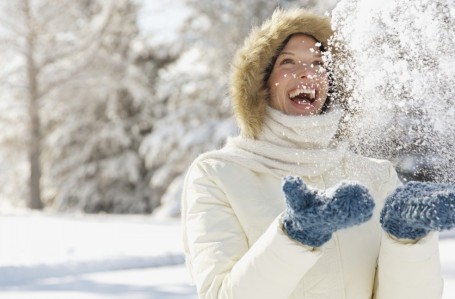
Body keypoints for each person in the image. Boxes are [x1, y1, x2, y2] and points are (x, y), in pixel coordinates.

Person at [181, 8, 453, 299]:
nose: (306, 72)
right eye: (288, 62)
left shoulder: (376, 176)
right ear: (260, 83)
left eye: (318, 62)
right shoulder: (218, 175)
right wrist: (295, 236)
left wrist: (407, 240)